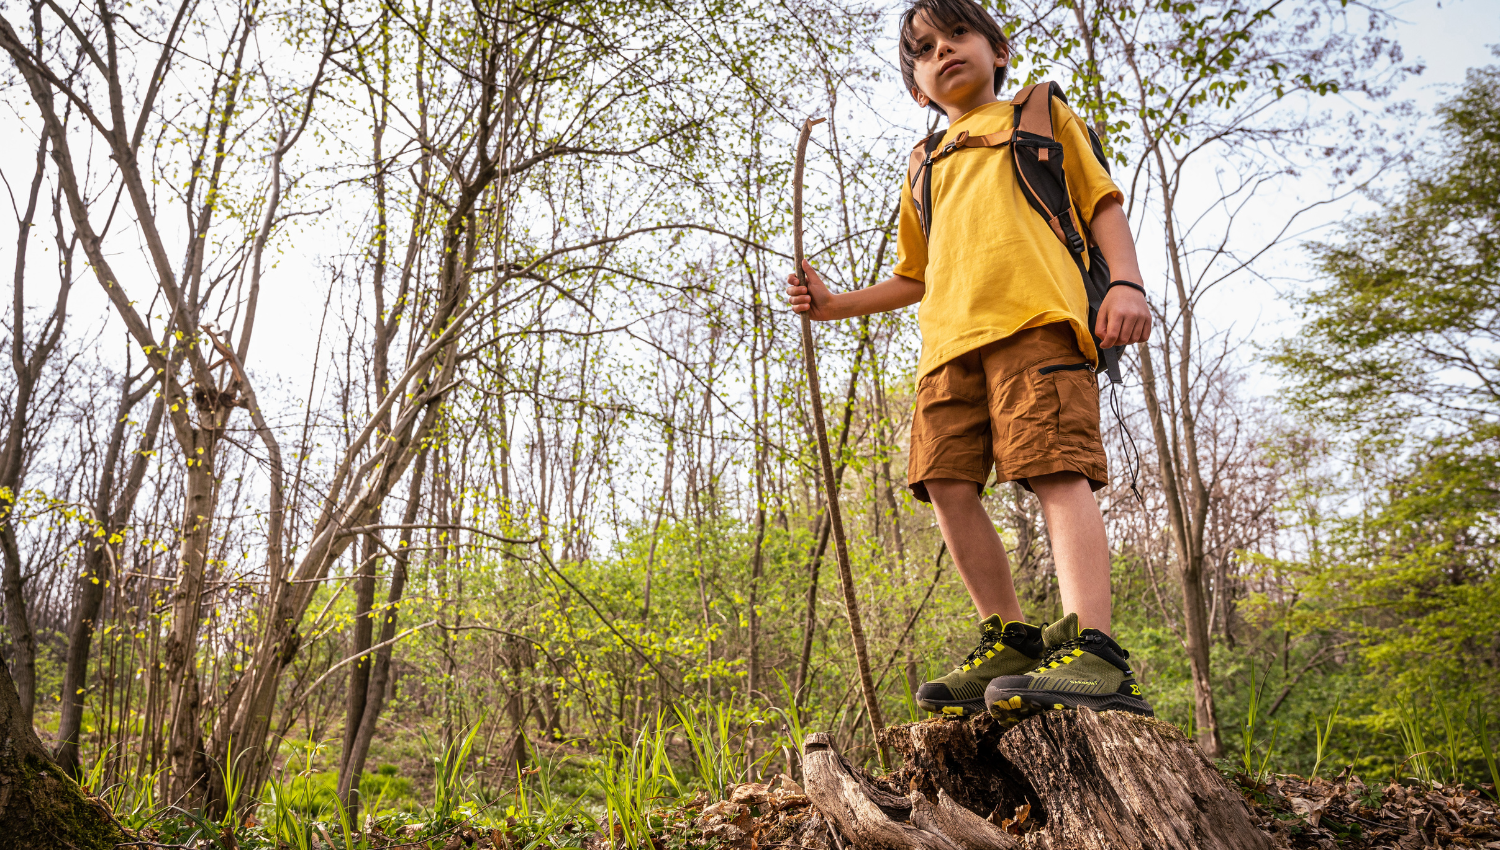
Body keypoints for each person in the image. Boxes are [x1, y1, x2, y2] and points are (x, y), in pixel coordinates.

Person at [785, 0, 1154, 724]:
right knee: (943, 481)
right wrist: (834, 304)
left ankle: (1096, 649)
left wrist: (1128, 283)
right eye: (923, 49)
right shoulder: (924, 163)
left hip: (1036, 326)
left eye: (958, 35)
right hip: (946, 351)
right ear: (916, 86)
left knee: (1055, 467)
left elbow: (1103, 203)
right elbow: (913, 277)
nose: (942, 51)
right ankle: (1009, 636)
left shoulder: (1038, 116)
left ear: (998, 49)